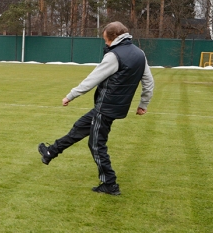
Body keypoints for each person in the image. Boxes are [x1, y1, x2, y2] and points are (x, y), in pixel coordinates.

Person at [38, 21, 154, 195]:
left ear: (113, 38)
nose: (105, 44)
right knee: (80, 127)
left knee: (96, 145)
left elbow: (93, 79)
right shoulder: (140, 53)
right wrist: (143, 104)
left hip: (106, 107)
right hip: (116, 106)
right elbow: (149, 82)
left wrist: (71, 95)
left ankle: (110, 184)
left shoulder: (114, 56)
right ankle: (50, 152)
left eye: (105, 40)